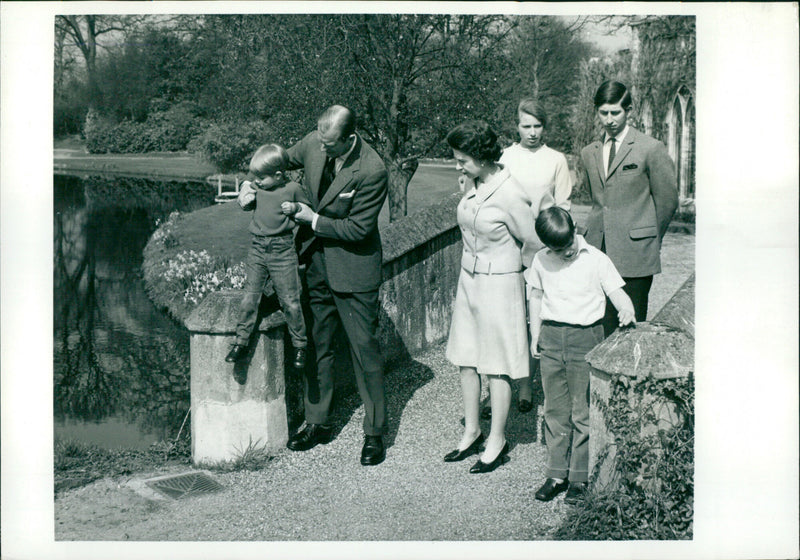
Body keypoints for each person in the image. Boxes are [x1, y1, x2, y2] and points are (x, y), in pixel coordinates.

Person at [281, 105, 389, 466]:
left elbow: (358, 230)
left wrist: (314, 220)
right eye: (319, 139)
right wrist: (253, 179)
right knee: (317, 343)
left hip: (354, 270)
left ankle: (374, 434)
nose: (320, 148)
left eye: (329, 144)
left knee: (365, 353)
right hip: (315, 265)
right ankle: (318, 422)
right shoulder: (316, 140)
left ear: (350, 137)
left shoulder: (372, 170)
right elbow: (280, 158)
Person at [443, 120, 546, 474]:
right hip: (469, 282)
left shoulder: (511, 192)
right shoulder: (473, 181)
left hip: (500, 286)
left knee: (498, 364)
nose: (458, 166)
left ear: (484, 158)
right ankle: (472, 431)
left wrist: (531, 289)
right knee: (466, 358)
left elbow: (533, 244)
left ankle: (497, 439)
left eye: (462, 160)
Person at [526, 206, 635, 504]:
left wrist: (626, 308)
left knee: (582, 411)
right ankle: (556, 472)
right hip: (551, 337)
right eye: (557, 249)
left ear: (575, 227)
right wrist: (535, 334)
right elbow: (535, 297)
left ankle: (579, 477)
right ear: (547, 246)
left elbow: (616, 292)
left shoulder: (596, 260)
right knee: (555, 409)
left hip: (585, 338)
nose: (566, 252)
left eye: (568, 244)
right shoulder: (540, 260)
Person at [580, 80, 678, 337]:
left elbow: (667, 201)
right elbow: (597, 201)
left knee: (630, 327)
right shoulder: (589, 152)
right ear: (596, 112)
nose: (609, 119)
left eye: (616, 112)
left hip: (636, 254)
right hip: (597, 250)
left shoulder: (651, 148)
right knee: (596, 322)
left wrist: (650, 238)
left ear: (629, 110)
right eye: (604, 113)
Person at [499, 97, 571, 414]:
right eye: (526, 126)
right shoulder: (506, 157)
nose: (532, 132)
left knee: (535, 317)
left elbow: (563, 206)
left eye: (537, 126)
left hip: (541, 249)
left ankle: (529, 387)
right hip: (509, 248)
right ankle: (503, 388)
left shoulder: (556, 159)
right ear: (517, 126)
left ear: (544, 127)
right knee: (507, 318)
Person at [225, 144, 311, 370]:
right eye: (256, 177)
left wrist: (294, 207)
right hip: (257, 248)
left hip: (282, 249)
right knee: (249, 298)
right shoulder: (257, 186)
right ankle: (241, 341)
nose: (257, 181)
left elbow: (307, 208)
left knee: (291, 301)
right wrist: (245, 194)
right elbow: (245, 195)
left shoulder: (293, 188)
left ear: (278, 175)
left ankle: (300, 345)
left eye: (261, 177)